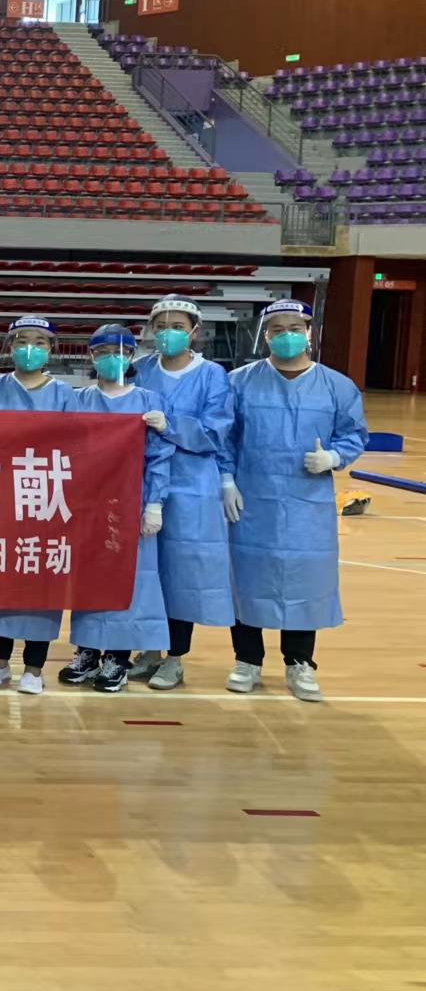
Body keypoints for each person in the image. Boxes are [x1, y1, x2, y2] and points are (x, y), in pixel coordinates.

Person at [222, 299, 368, 702]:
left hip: (308, 504)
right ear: (265, 335)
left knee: (305, 576)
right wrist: (226, 480)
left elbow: (354, 434)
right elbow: (225, 438)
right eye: (276, 330)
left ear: (309, 333)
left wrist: (333, 457)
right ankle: (247, 660)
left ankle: (299, 662)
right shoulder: (239, 383)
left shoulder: (337, 386)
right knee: (246, 577)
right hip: (251, 499)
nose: (285, 336)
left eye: (294, 328)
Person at [129, 295, 235, 690]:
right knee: (148, 570)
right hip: (142, 483)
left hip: (191, 486)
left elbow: (215, 430)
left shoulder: (212, 375)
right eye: (160, 326)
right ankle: (149, 650)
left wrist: (169, 424)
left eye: (177, 327)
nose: (167, 333)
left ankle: (175, 657)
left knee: (181, 573)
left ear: (195, 332)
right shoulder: (140, 370)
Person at [63, 324, 172, 694]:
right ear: (92, 356)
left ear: (131, 356)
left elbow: (159, 457)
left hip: (131, 502)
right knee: (88, 578)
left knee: (129, 579)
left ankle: (118, 657)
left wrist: (154, 503)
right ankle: (87, 650)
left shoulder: (147, 401)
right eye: (104, 351)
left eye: (121, 351)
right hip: (87, 505)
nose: (113, 358)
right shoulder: (79, 400)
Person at [0, 316, 78, 695]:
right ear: (10, 347)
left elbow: (81, 445)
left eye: (39, 341)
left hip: (47, 499)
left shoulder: (66, 395)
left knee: (41, 581)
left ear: (51, 349)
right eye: (21, 341)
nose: (30, 348)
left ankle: (34, 667)